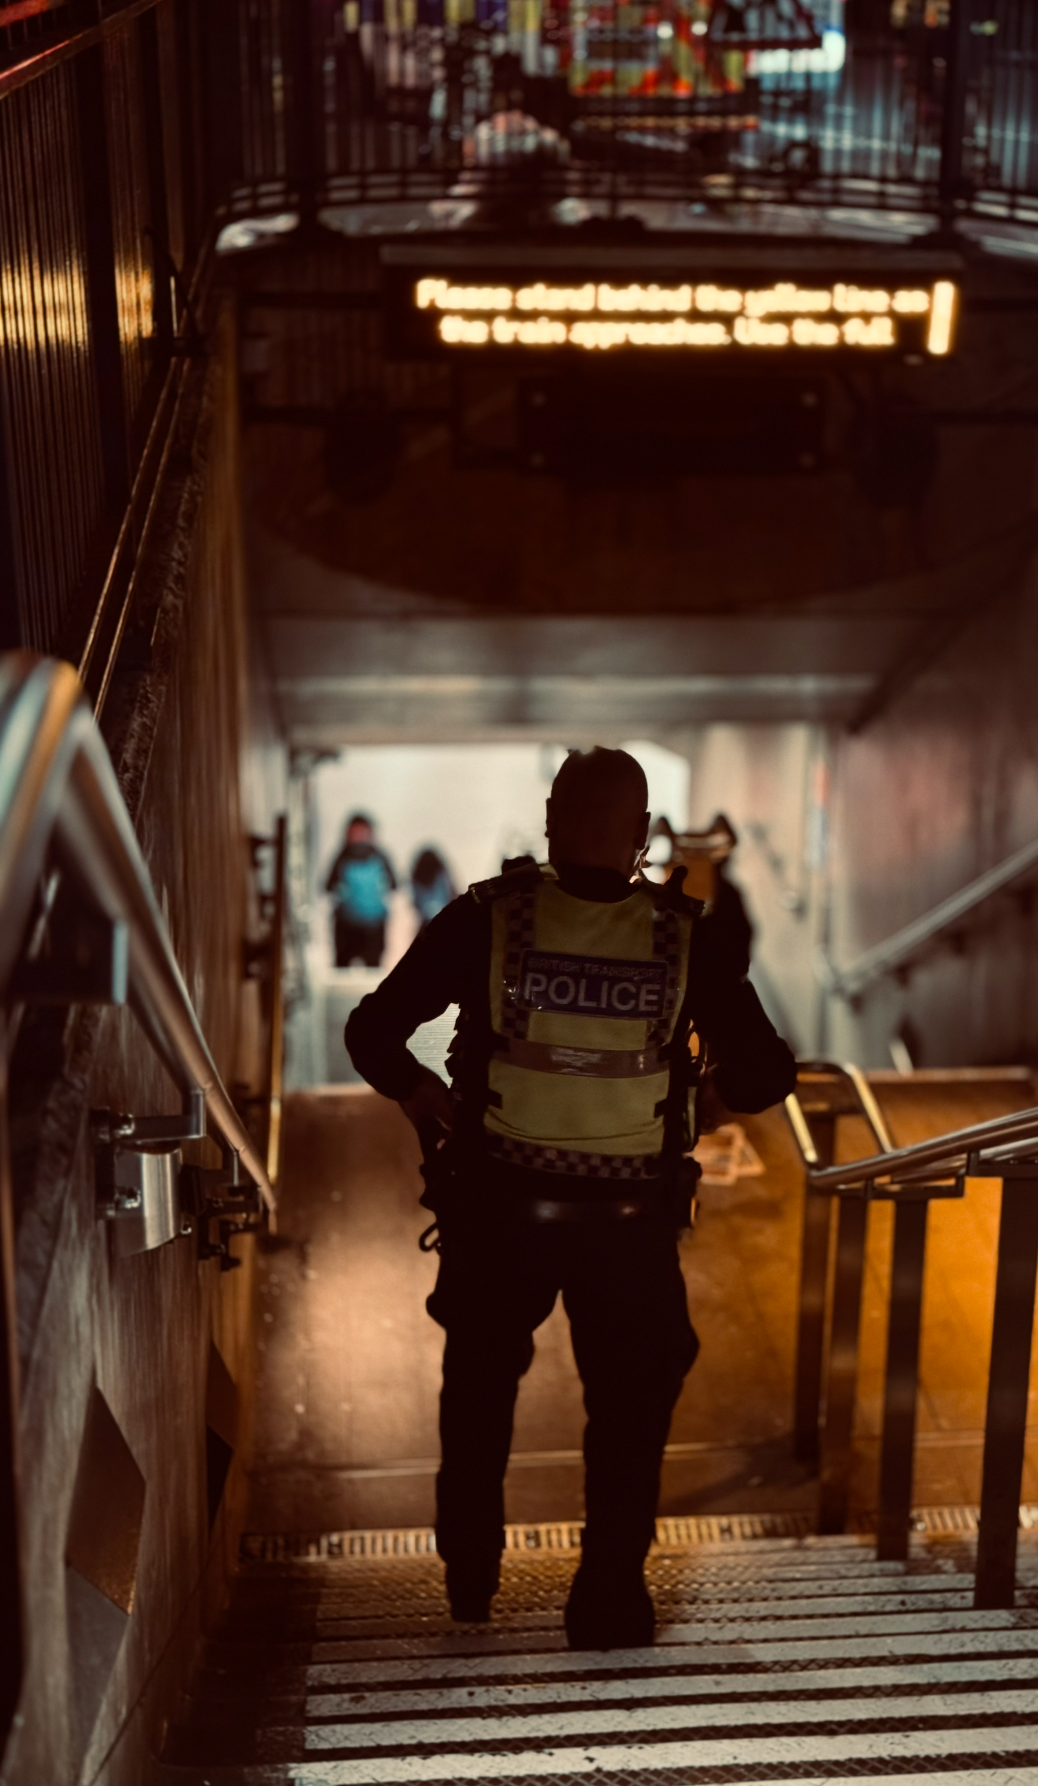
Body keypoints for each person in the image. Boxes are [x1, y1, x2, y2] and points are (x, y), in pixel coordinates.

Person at [344, 748, 796, 1650]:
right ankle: (608, 1603)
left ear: (551, 820)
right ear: (640, 835)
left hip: (498, 1213)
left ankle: (470, 1580)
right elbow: (769, 1071)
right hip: (629, 1227)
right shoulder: (686, 935)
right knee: (629, 1412)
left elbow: (372, 1030)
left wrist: (420, 1093)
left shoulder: (489, 916)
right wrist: (699, 1107)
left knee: (477, 1391)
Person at [325, 813, 396, 968]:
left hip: (365, 926)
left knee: (368, 973)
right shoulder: (377, 855)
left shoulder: (343, 857)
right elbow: (394, 885)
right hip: (359, 926)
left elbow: (327, 887)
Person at [410, 847, 456, 933]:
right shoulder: (441, 875)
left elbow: (415, 903)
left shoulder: (416, 878)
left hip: (426, 922)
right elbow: (451, 893)